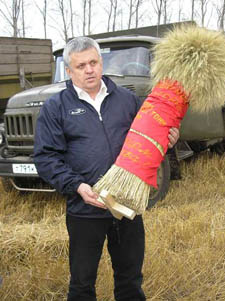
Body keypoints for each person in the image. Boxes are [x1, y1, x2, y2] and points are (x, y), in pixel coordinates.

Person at [34, 36, 179, 301]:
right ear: (69, 71)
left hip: (127, 206)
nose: (89, 69)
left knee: (130, 282)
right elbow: (45, 158)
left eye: (93, 62)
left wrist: (168, 139)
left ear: (101, 63)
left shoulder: (126, 99)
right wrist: (77, 186)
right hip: (85, 209)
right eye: (80, 66)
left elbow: (148, 137)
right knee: (81, 284)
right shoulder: (56, 108)